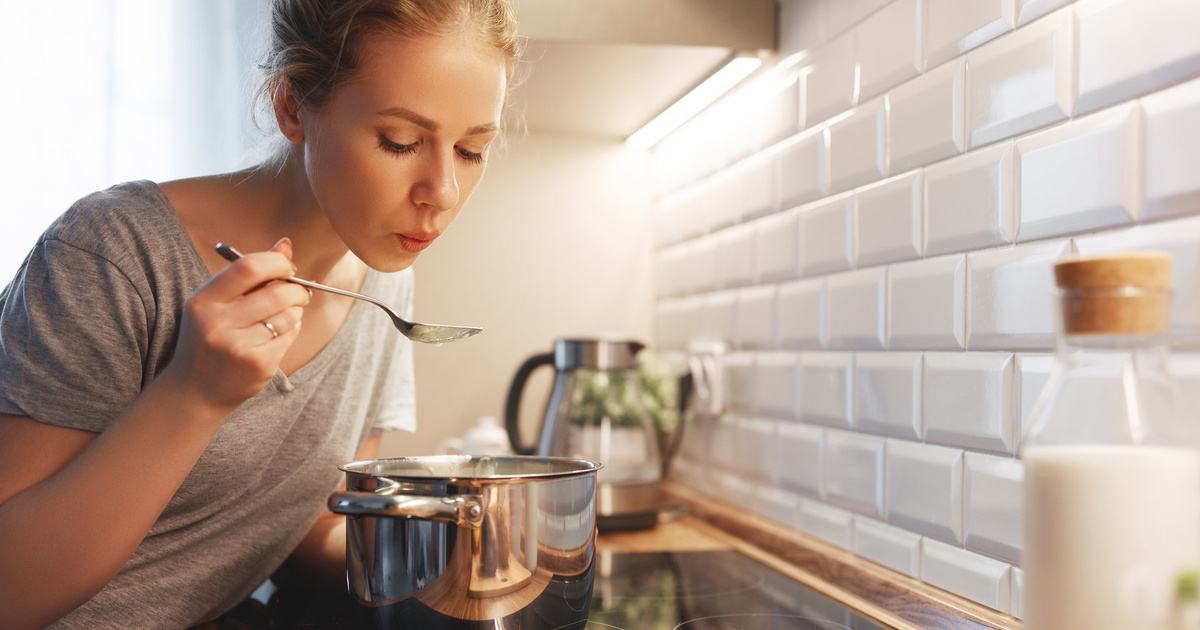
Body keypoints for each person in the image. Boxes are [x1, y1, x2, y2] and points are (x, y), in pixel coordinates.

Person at [0, 0, 520, 627]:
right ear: (291, 106)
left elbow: (303, 527)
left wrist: (448, 546)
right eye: (400, 141)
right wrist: (194, 394)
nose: (442, 192)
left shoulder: (384, 283)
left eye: (470, 150)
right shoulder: (113, 252)